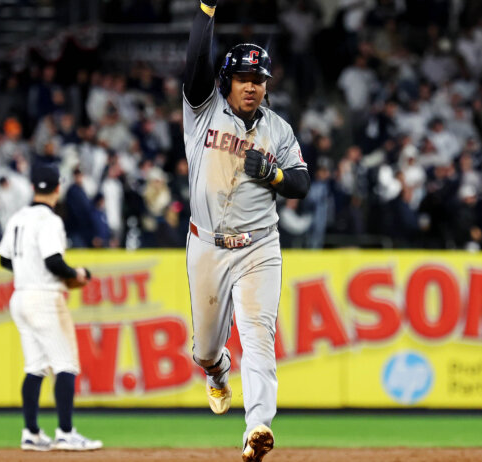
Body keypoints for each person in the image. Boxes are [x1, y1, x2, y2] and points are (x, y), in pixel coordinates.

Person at [182, 2, 310, 461]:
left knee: (259, 335)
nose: (252, 86)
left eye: (259, 80)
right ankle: (217, 374)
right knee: (205, 350)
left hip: (259, 247)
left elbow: (301, 183)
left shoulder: (278, 130)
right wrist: (206, 9)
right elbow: (197, 57)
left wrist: (274, 175)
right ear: (226, 82)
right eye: (243, 79)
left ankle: (257, 427)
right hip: (207, 246)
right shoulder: (202, 112)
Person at [0, 164, 102, 451]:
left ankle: (31, 433)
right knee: (66, 364)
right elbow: (53, 262)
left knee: (35, 368)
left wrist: (27, 270)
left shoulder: (18, 217)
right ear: (58, 188)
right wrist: (77, 274)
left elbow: (4, 260)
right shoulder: (49, 220)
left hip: (20, 297)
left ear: (33, 187)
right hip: (44, 298)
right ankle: (66, 433)